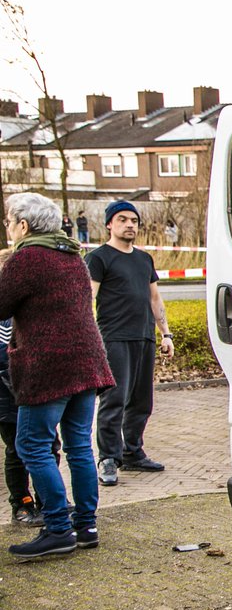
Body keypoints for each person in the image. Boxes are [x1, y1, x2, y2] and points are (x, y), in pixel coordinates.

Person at [0, 192, 115, 558]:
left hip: (48, 366)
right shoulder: (72, 256)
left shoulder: (27, 258)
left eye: (8, 221)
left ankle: (57, 528)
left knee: (31, 445)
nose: (8, 228)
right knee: (80, 445)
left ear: (23, 225)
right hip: (87, 361)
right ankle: (86, 525)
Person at [87, 200, 173, 486]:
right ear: (110, 224)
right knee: (114, 400)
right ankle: (108, 459)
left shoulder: (144, 259)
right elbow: (88, 300)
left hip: (144, 338)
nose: (129, 225)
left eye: (134, 220)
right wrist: (89, 339)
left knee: (141, 401)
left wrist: (166, 334)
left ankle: (133, 452)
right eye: (122, 219)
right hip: (114, 339)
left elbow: (154, 298)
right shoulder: (99, 258)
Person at [0, 317, 45, 526]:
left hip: (39, 390)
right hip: (8, 395)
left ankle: (48, 500)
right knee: (16, 450)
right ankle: (21, 503)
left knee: (49, 445)